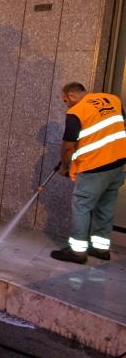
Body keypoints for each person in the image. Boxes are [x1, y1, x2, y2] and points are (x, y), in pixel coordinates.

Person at [51, 82, 126, 264]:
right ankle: (100, 248)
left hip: (94, 168)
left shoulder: (77, 111)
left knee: (82, 206)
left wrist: (64, 167)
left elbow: (68, 146)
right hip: (118, 165)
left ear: (72, 95)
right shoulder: (113, 100)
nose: (66, 104)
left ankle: (77, 252)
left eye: (65, 100)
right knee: (105, 206)